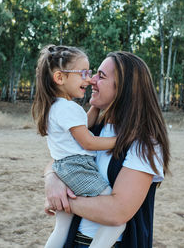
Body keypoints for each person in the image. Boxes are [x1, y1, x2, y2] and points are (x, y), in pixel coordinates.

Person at [43, 51, 171, 248]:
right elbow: (61, 159)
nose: (92, 80)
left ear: (125, 89)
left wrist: (62, 202)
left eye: (101, 76)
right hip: (72, 242)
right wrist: (51, 180)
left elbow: (118, 212)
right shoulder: (94, 127)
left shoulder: (145, 143)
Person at [32, 45, 126, 248]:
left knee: (62, 229)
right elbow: (88, 141)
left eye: (91, 73)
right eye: (83, 73)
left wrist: (96, 104)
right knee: (116, 221)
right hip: (79, 168)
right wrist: (123, 140)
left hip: (64, 168)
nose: (89, 79)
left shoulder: (57, 107)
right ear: (60, 78)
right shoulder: (68, 107)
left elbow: (84, 125)